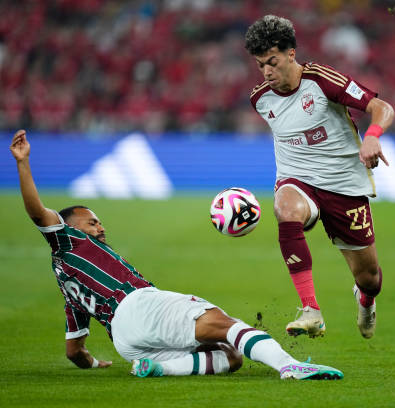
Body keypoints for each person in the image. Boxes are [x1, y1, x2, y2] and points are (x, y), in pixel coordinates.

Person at [9, 129, 343, 380]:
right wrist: (24, 164)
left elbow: (74, 352)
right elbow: (39, 214)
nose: (100, 227)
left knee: (230, 356)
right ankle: (289, 366)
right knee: (226, 325)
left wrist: (95, 363)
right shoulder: (68, 241)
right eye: (92, 222)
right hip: (138, 306)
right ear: (69, 227)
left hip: (126, 342)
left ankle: (157, 368)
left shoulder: (69, 286)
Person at [244, 15, 395, 339]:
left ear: (291, 54)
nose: (267, 72)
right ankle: (311, 310)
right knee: (285, 210)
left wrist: (373, 135)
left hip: (344, 185)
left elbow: (382, 107)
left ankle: (365, 299)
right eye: (260, 66)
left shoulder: (322, 81)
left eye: (272, 62)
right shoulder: (260, 98)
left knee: (369, 278)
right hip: (297, 180)